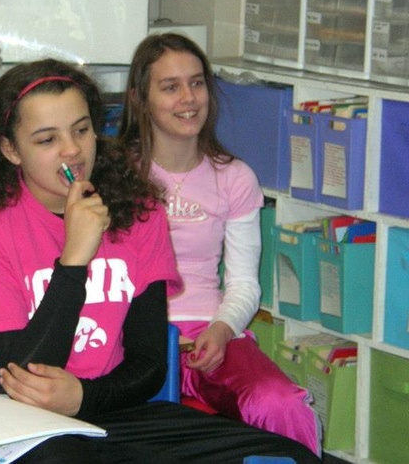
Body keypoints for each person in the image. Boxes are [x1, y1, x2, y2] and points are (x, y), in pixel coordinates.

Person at [0, 58, 320, 463]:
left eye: (81, 130)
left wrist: (84, 396)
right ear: (11, 150)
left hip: (100, 406)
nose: (72, 150)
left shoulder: (138, 211)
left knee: (285, 456)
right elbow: (25, 373)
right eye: (46, 140)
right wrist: (74, 258)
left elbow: (148, 363)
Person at [118, 32, 321, 456]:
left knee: (279, 403)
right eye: (170, 87)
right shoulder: (117, 174)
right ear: (140, 98)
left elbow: (245, 283)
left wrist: (223, 329)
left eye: (196, 83)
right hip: (129, 333)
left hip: (210, 333)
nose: (188, 98)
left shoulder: (235, 177)